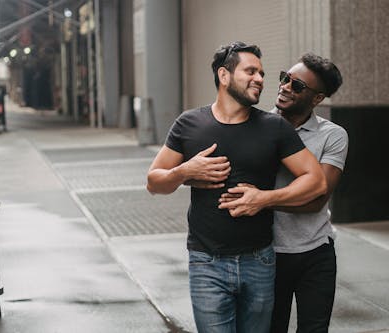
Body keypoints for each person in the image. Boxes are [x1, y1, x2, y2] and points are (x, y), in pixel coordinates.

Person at [146, 41, 327, 333]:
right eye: (251, 71)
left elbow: (315, 180)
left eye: (262, 73)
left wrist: (264, 199)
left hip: (259, 261)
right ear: (224, 75)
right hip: (206, 262)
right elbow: (154, 182)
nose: (260, 79)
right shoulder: (189, 124)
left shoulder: (274, 127)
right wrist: (184, 171)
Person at [220, 53, 348, 332]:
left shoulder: (333, 135)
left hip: (316, 254)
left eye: (297, 85)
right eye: (285, 78)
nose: (285, 86)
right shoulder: (255, 125)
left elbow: (316, 200)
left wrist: (262, 200)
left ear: (317, 99)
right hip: (265, 255)